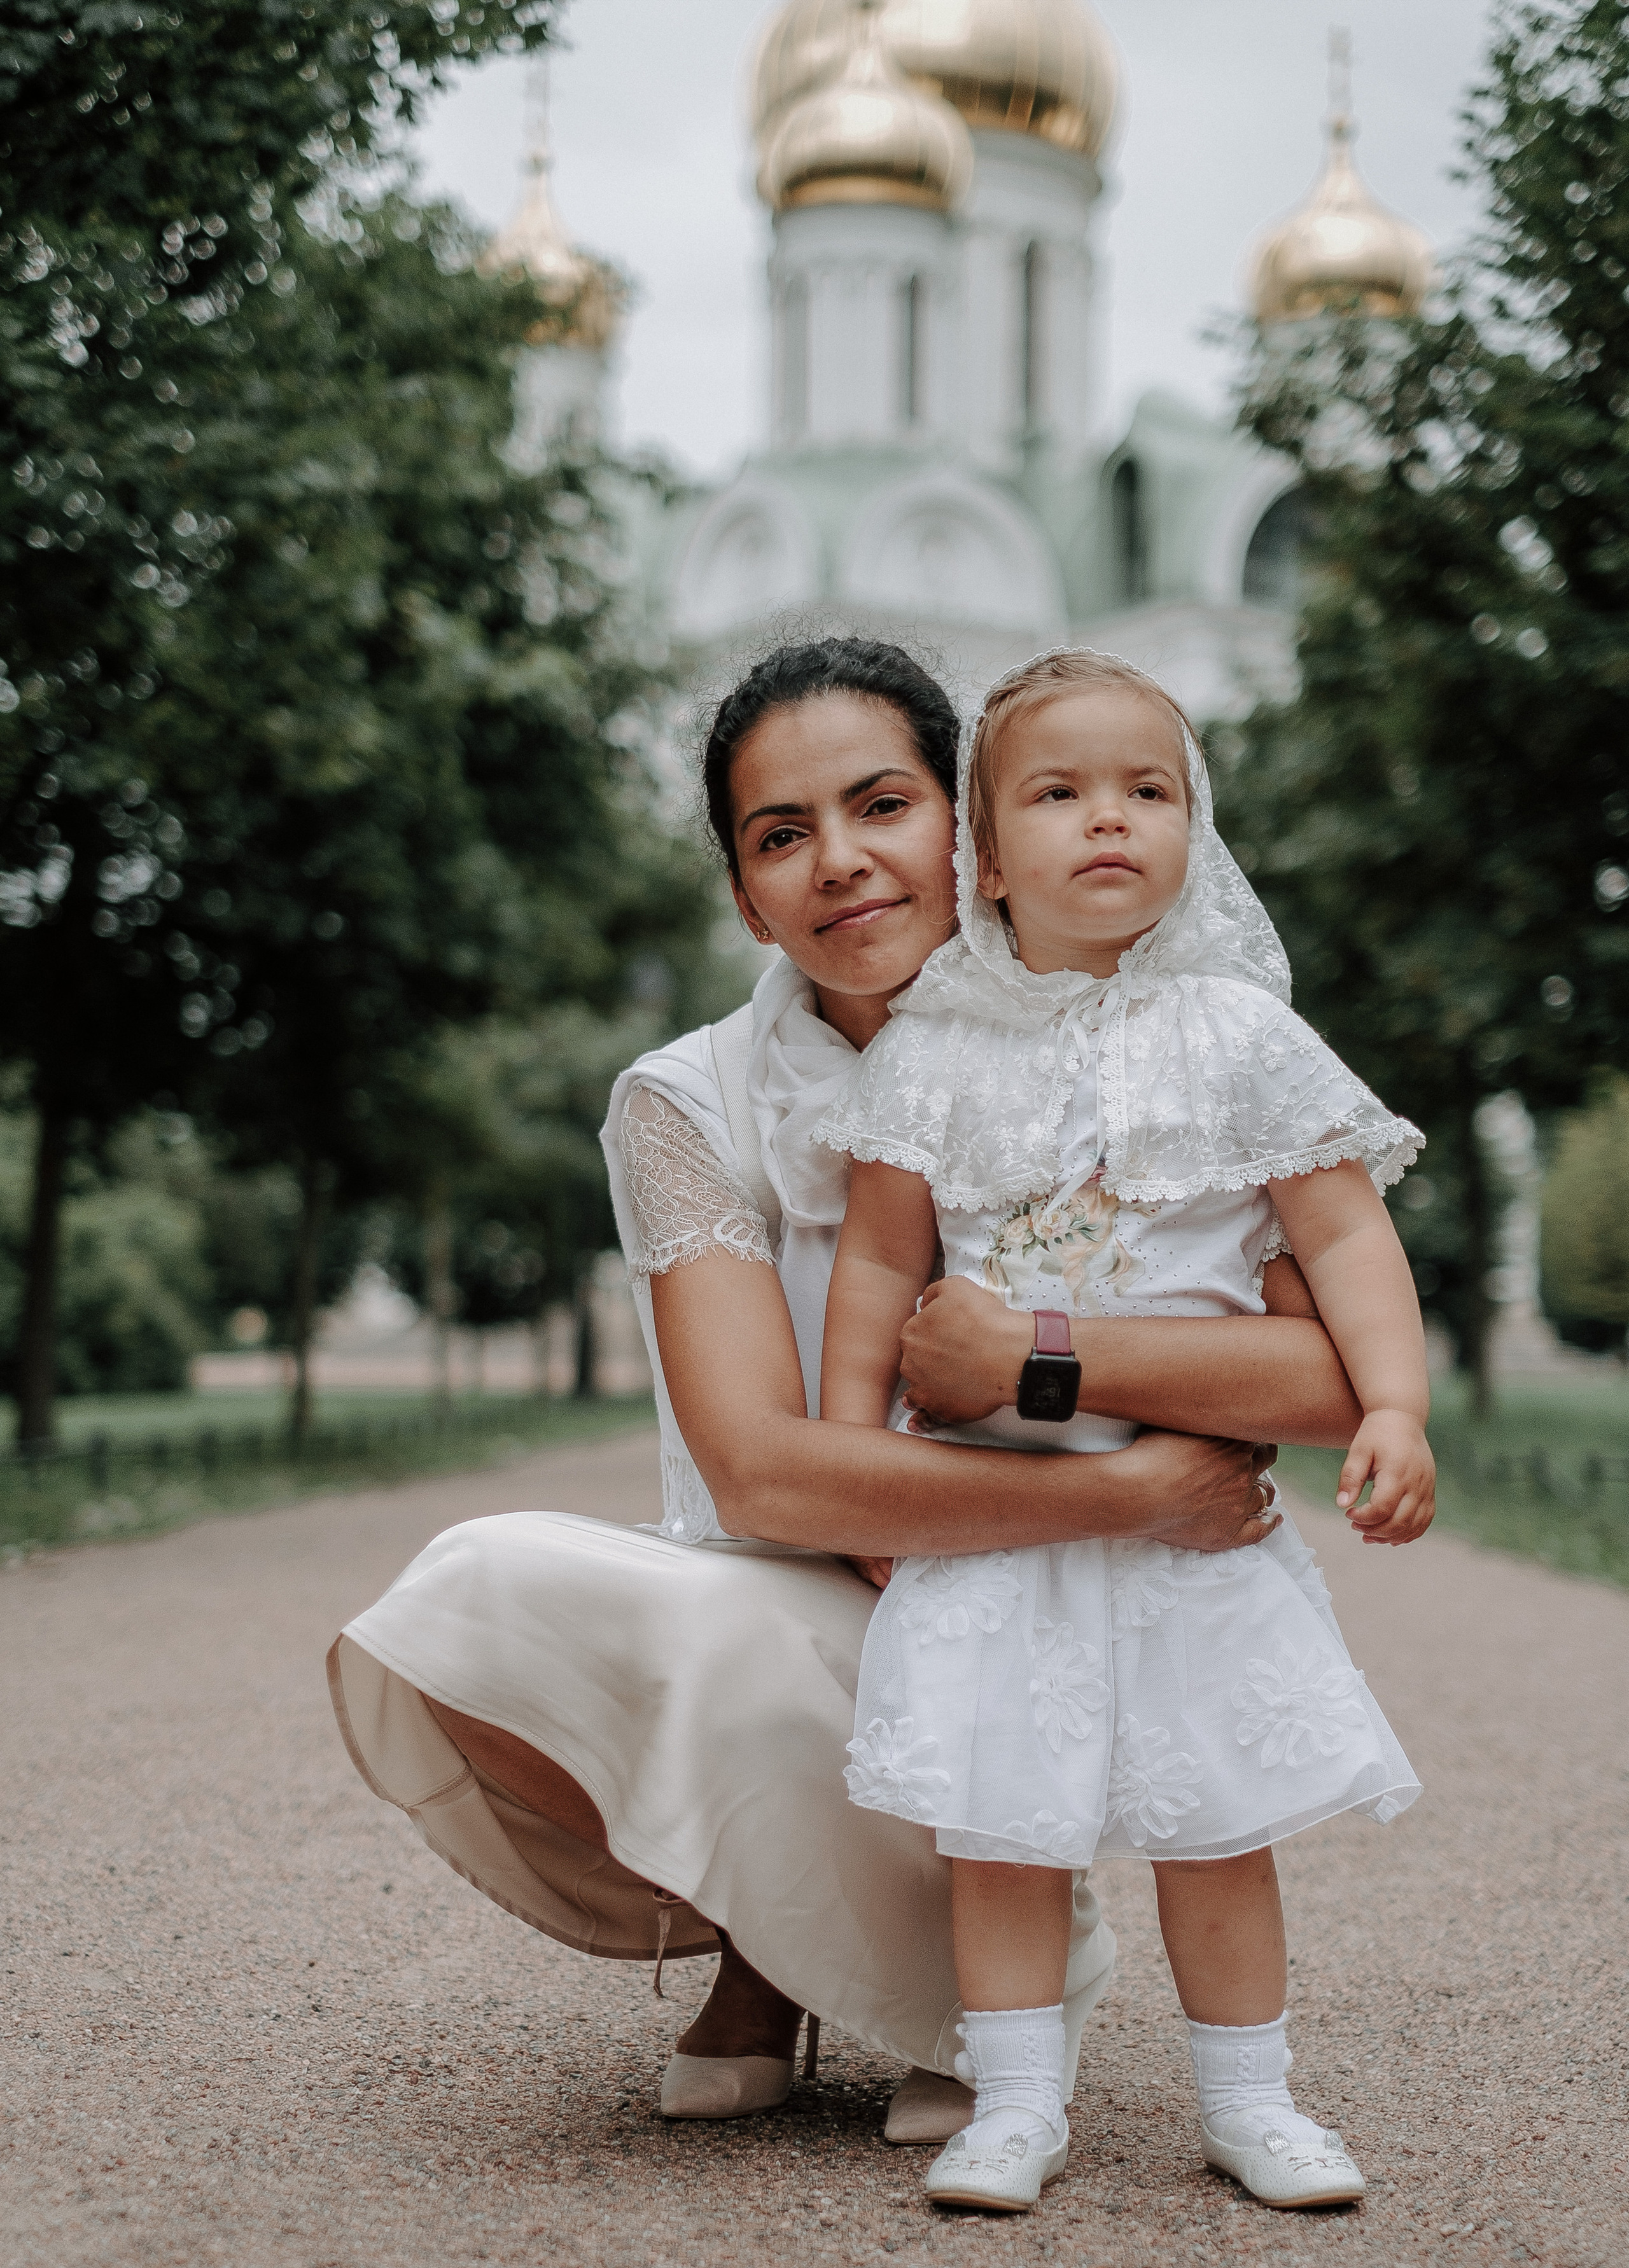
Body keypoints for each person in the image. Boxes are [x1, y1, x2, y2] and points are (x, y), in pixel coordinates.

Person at [329, 638, 1366, 2140]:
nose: (839, 864)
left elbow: (1328, 1374)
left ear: (970, 824)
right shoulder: (686, 1101)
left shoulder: (1162, 1039)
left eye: (881, 806)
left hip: (1090, 1609)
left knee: (1024, 1651)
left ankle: (982, 1970)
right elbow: (764, 1473)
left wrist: (1037, 1358)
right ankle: (769, 1945)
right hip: (815, 1593)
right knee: (477, 1591)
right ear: (744, 892)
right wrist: (1122, 1484)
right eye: (778, 837)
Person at [815, 648, 1432, 2213]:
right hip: (992, 1515)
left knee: (1212, 1820)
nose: (1109, 821)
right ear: (982, 851)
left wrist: (1397, 1405)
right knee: (1004, 1831)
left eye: (1146, 791)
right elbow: (881, 1266)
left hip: (1192, 1519)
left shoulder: (1239, 1038)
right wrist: (852, 1473)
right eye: (1060, 792)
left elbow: (1347, 1240)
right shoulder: (927, 1053)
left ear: (1192, 828)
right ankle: (1014, 2103)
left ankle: (1254, 2100)